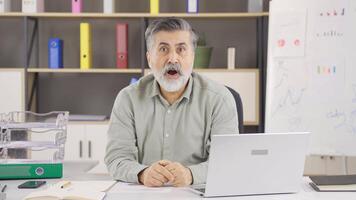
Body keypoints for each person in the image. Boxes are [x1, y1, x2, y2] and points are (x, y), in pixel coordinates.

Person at [105, 17, 239, 187]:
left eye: (181, 49)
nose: (173, 59)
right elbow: (116, 158)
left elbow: (227, 161)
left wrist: (191, 174)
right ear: (149, 58)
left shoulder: (220, 99)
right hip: (145, 193)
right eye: (163, 49)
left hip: (199, 192)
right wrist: (142, 173)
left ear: (192, 56)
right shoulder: (128, 99)